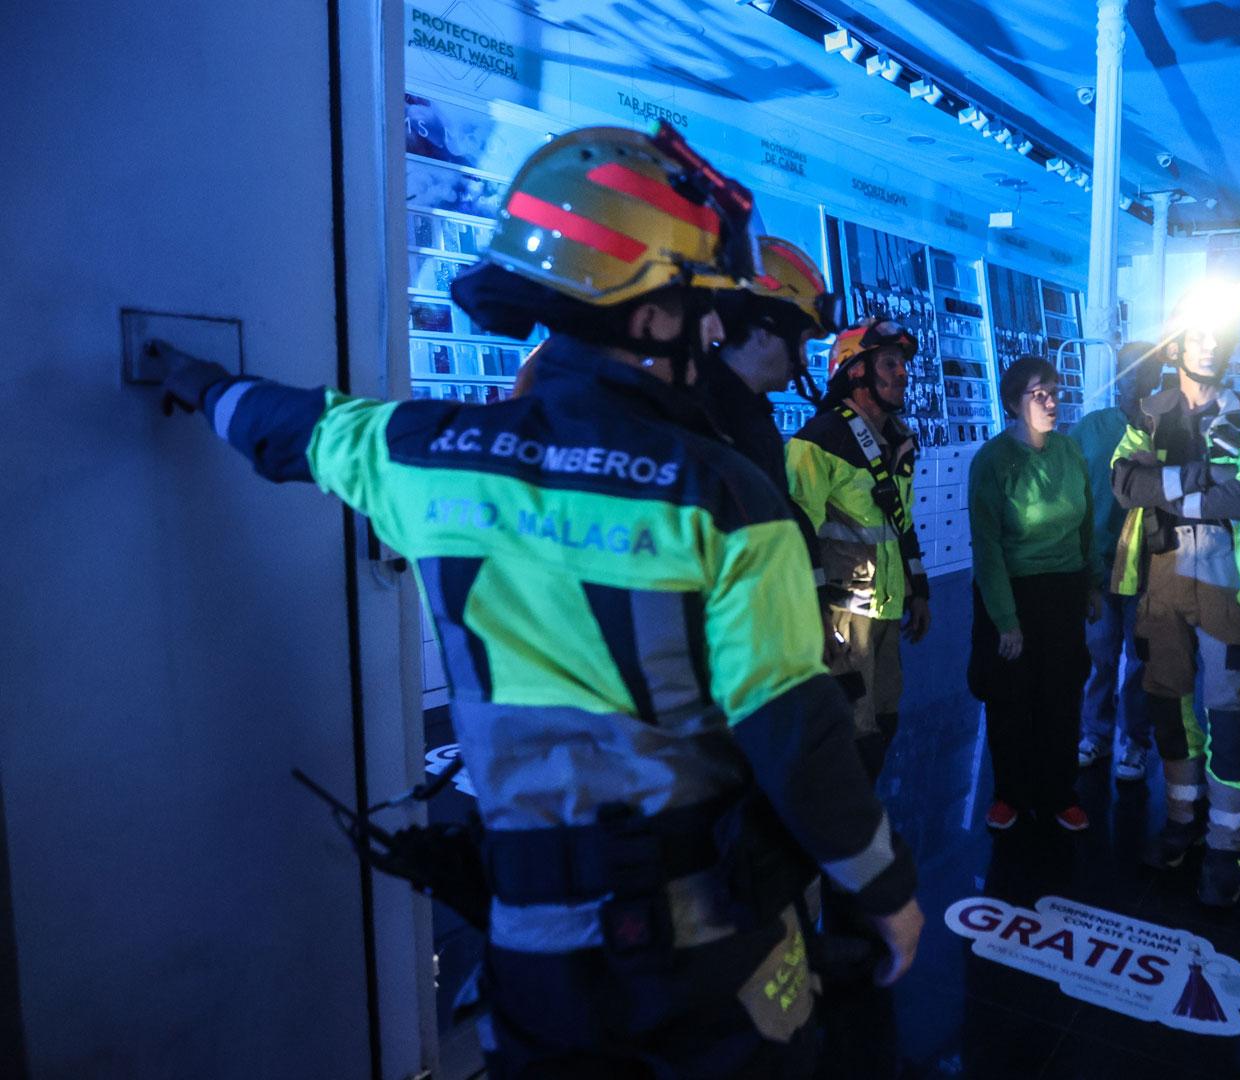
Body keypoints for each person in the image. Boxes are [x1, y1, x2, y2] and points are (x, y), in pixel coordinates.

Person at [151, 124, 921, 1078]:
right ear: (647, 318)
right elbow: (795, 732)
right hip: (711, 967)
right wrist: (884, 891)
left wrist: (192, 379)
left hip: (532, 966)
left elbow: (286, 427)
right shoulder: (727, 504)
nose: (713, 329)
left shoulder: (426, 455)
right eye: (699, 305)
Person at [1110, 298, 1240, 907]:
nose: (1209, 345)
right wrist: (1198, 479)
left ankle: (1226, 845)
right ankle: (1182, 822)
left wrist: (1166, 490)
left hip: (1223, 584)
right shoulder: (1148, 411)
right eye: (1198, 334)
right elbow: (1123, 484)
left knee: (1229, 716)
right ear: (1179, 343)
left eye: (1220, 334)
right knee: (1165, 706)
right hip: (1160, 580)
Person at [787, 317, 932, 780]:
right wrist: (814, 617)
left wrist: (921, 588)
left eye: (903, 364)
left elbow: (901, 522)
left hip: (886, 610)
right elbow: (795, 535)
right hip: (843, 619)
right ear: (855, 371)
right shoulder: (819, 441)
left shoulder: (899, 440)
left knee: (884, 719)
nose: (903, 373)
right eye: (889, 363)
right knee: (851, 733)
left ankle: (861, 824)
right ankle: (846, 839)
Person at [967, 357, 1098, 831]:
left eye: (1054, 390)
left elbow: (1085, 525)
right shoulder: (992, 462)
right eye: (1038, 393)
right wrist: (1005, 619)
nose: (1051, 400)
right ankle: (1010, 793)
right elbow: (987, 545)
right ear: (1011, 402)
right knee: (1010, 698)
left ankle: (1059, 791)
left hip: (1063, 590)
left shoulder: (1069, 452)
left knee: (1062, 695)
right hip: (1013, 591)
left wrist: (1091, 584)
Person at [1072, 342, 1159, 783]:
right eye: (1128, 370)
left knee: (1142, 659)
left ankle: (1135, 742)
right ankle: (1096, 733)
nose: (1135, 379)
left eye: (1146, 370)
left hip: (1150, 569)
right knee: (1099, 655)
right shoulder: (1090, 429)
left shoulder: (1170, 429)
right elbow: (1066, 491)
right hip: (1098, 565)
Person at [706, 236, 842, 487]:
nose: (803, 359)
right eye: (803, 343)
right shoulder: (712, 423)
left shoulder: (743, 414)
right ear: (764, 331)